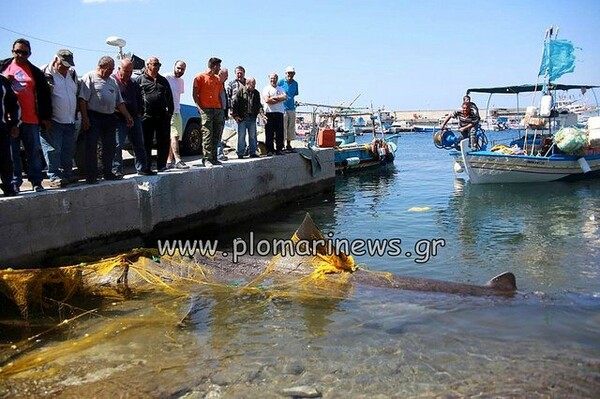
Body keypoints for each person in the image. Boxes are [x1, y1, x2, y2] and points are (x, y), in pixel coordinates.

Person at [0, 38, 52, 193]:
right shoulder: (3, 68)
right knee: (13, 154)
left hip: (31, 118)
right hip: (10, 120)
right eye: (18, 52)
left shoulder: (35, 72)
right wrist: (5, 81)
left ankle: (36, 181)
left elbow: (44, 95)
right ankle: (15, 182)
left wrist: (45, 117)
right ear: (12, 51)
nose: (21, 55)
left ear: (30, 54)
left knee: (33, 152)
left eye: (24, 52)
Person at [79, 56, 134, 184]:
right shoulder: (90, 77)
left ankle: (108, 172)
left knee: (110, 147)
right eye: (110, 69)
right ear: (101, 66)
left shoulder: (112, 82)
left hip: (109, 117)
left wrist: (127, 116)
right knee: (91, 146)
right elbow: (83, 100)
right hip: (93, 116)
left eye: (113, 69)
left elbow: (119, 102)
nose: (111, 71)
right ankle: (91, 176)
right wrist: (85, 118)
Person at [40, 49, 79, 187]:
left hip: (69, 119)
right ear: (56, 59)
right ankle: (54, 176)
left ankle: (66, 174)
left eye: (68, 65)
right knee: (52, 149)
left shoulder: (72, 74)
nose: (65, 68)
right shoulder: (44, 73)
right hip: (53, 120)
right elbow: (38, 97)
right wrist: (44, 117)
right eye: (63, 65)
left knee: (68, 149)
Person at [113, 58, 153, 176]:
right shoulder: (113, 81)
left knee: (139, 143)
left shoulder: (133, 82)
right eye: (126, 71)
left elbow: (139, 97)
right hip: (119, 118)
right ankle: (116, 169)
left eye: (131, 72)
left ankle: (142, 168)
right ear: (119, 69)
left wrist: (140, 111)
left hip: (135, 117)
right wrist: (126, 115)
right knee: (117, 144)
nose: (129, 74)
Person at [137, 57, 174, 173]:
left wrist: (170, 113)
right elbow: (136, 97)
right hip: (146, 117)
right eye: (155, 64)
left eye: (159, 64)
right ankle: (146, 166)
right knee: (146, 142)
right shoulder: (140, 80)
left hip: (162, 116)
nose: (157, 67)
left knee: (163, 141)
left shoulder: (163, 80)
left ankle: (161, 165)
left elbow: (169, 97)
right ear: (148, 65)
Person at [193, 57, 224, 166]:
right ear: (214, 66)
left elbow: (219, 95)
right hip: (206, 110)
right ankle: (207, 159)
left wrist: (221, 108)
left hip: (217, 109)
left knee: (216, 134)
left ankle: (214, 158)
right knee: (207, 134)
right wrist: (199, 108)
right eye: (219, 66)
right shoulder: (200, 77)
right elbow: (195, 94)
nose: (219, 68)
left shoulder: (217, 79)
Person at [231, 77, 266, 159]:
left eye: (255, 84)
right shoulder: (240, 91)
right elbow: (235, 103)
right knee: (241, 136)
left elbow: (258, 105)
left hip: (252, 117)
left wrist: (262, 115)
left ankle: (253, 152)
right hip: (242, 117)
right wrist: (235, 115)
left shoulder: (256, 93)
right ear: (248, 84)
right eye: (253, 84)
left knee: (253, 136)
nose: (254, 86)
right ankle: (240, 153)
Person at [165, 60, 189, 169]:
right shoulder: (166, 78)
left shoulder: (182, 81)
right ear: (174, 66)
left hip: (177, 111)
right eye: (178, 68)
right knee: (174, 135)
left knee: (175, 137)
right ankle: (178, 160)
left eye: (183, 69)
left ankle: (169, 161)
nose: (180, 70)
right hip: (169, 112)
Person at [0, 74, 19, 197]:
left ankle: (8, 185)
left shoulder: (2, 81)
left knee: (5, 158)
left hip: (1, 127)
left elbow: (12, 103)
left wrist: (13, 124)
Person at [262, 73, 287, 156]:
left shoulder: (281, 88)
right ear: (269, 79)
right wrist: (278, 99)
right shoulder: (266, 88)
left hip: (279, 113)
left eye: (275, 78)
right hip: (269, 113)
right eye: (272, 78)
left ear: (277, 79)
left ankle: (279, 149)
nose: (273, 80)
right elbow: (267, 100)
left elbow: (285, 97)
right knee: (269, 133)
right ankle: (269, 150)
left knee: (280, 132)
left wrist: (273, 98)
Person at [278, 66, 299, 152]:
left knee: (291, 127)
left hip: (291, 108)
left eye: (292, 73)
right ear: (286, 73)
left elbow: (295, 94)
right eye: (288, 73)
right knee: (283, 127)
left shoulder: (295, 83)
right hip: (283, 108)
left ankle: (288, 144)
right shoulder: (281, 82)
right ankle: (281, 144)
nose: (290, 75)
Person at [217, 67, 229, 161]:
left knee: (220, 134)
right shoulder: (216, 84)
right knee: (217, 134)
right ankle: (218, 154)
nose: (227, 77)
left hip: (222, 112)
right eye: (226, 74)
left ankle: (218, 153)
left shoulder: (222, 85)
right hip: (217, 111)